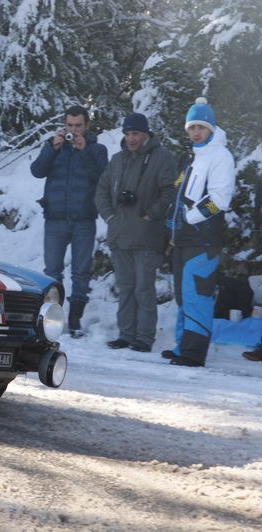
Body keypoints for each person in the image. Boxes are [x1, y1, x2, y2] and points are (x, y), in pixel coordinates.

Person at [162, 97, 236, 367]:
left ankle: (193, 354)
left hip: (203, 239)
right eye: (192, 127)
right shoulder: (192, 156)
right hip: (183, 239)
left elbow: (220, 198)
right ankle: (183, 346)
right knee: (184, 296)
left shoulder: (220, 156)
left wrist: (190, 218)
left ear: (212, 129)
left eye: (201, 127)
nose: (196, 132)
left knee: (198, 296)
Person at [95, 113, 176, 352]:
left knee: (144, 288)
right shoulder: (118, 159)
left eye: (136, 134)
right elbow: (101, 190)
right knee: (126, 287)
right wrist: (110, 216)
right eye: (128, 134)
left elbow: (170, 192)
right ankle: (126, 334)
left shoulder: (162, 158)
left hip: (147, 236)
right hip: (120, 235)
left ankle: (144, 337)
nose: (131, 139)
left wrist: (151, 213)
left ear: (146, 134)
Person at [30, 105, 108, 338]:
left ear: (87, 126)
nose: (73, 130)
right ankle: (51, 317)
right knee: (52, 271)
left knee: (81, 272)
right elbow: (37, 171)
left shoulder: (97, 150)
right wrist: (51, 149)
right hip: (55, 219)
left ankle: (75, 319)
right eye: (70, 125)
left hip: (84, 219)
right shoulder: (55, 146)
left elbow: (102, 178)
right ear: (64, 125)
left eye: (78, 126)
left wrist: (83, 151)